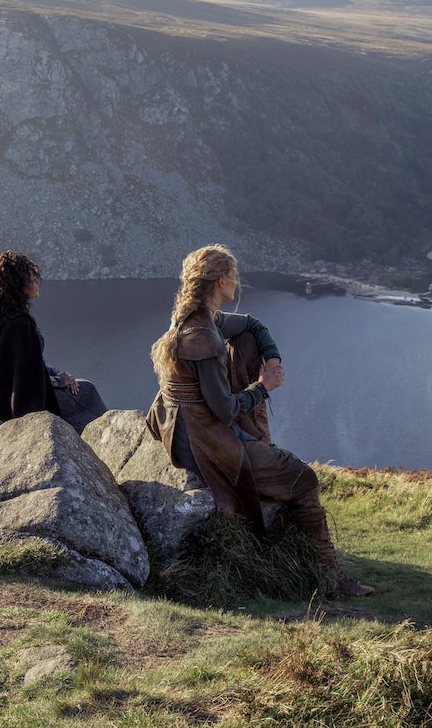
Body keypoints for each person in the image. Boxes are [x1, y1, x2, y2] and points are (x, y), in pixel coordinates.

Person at [146, 244, 375, 596]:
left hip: (185, 429)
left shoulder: (192, 319)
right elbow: (222, 410)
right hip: (204, 442)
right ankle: (330, 576)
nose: (237, 283)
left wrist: (271, 355)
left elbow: (253, 324)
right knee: (305, 479)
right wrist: (263, 386)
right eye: (234, 277)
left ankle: (259, 446)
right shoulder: (203, 337)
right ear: (221, 281)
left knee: (248, 337)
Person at [0, 250, 106, 431]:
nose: (36, 281)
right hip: (16, 404)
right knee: (87, 391)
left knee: (79, 385)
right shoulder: (19, 324)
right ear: (15, 284)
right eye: (30, 277)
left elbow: (25, 364)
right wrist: (60, 381)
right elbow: (27, 379)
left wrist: (57, 373)